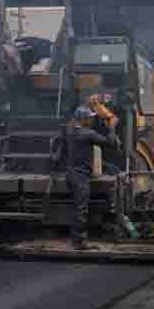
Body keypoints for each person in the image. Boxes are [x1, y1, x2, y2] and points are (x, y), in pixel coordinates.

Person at [63, 105, 119, 250]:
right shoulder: (87, 134)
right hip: (80, 176)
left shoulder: (70, 131)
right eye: (90, 118)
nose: (92, 120)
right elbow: (110, 142)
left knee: (77, 207)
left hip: (70, 173)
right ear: (84, 119)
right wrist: (111, 127)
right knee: (82, 209)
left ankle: (75, 238)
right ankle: (79, 242)